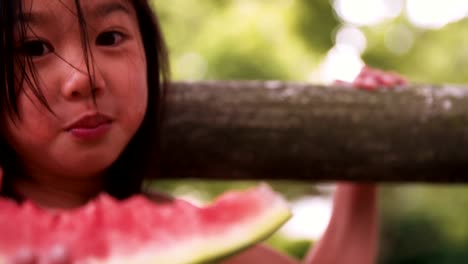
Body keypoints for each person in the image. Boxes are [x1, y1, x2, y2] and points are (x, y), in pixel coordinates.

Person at [0, 0, 407, 263]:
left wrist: (358, 173)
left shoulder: (185, 243)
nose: (84, 78)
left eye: (110, 37)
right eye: (33, 48)